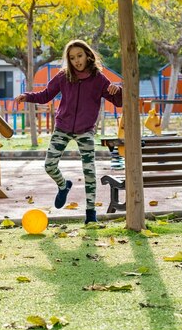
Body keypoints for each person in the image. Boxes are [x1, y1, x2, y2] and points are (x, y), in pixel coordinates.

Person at [14, 39, 123, 224]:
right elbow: (46, 95)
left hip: (85, 130)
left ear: (88, 55)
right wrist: (27, 96)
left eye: (79, 56)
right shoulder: (64, 76)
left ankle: (90, 214)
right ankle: (63, 186)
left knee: (89, 171)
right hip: (62, 127)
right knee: (49, 165)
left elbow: (119, 102)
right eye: (72, 58)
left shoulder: (98, 79)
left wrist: (117, 90)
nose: (76, 61)